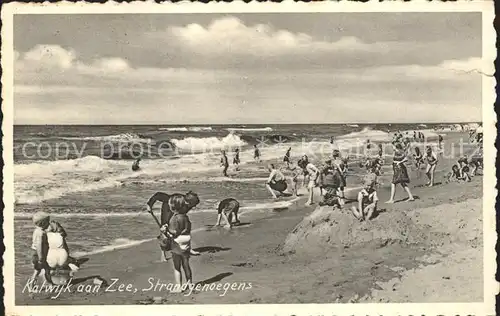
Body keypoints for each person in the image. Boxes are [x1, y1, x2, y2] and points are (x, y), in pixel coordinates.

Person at [145, 191, 201, 260]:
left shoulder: (189, 204)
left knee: (186, 227)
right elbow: (158, 195)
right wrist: (149, 204)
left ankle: (188, 249)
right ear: (188, 202)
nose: (194, 206)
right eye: (193, 205)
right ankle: (163, 254)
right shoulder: (174, 199)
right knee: (164, 230)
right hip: (168, 210)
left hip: (178, 215)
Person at [161, 194, 193, 292]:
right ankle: (190, 284)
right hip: (186, 239)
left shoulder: (174, 218)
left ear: (172, 207)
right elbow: (187, 228)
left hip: (177, 242)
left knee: (177, 266)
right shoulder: (185, 216)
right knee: (186, 264)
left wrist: (164, 231)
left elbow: (174, 232)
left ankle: (178, 287)